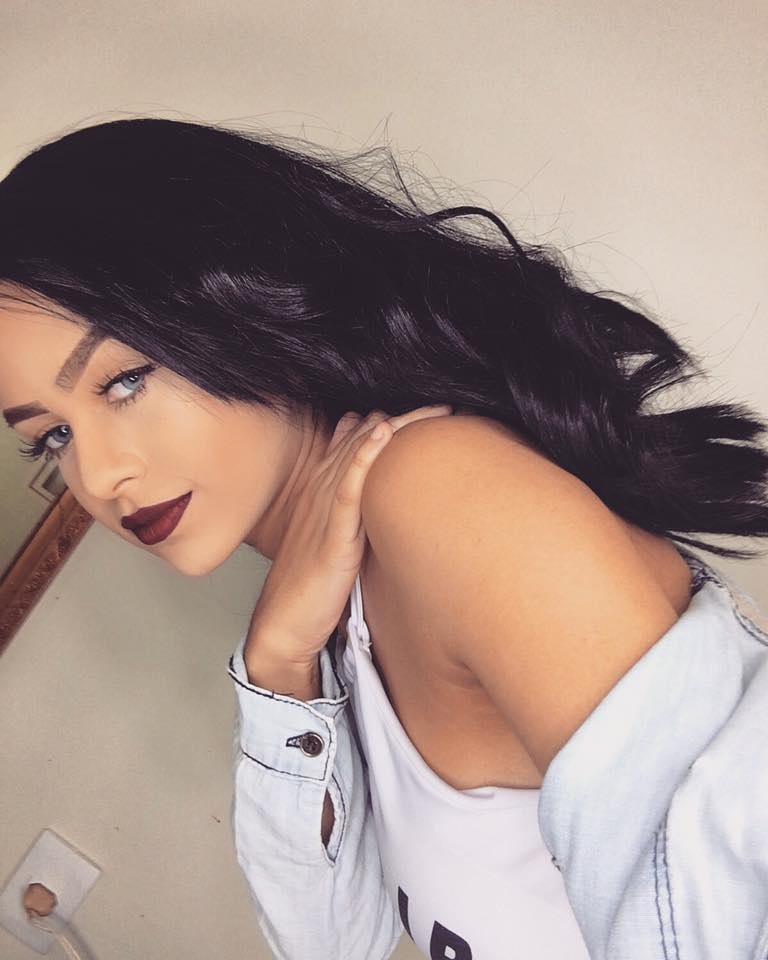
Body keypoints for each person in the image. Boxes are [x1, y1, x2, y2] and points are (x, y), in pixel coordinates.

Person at [1, 118, 767, 960]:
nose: (99, 477)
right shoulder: (328, 605)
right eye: (53, 437)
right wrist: (275, 664)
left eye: (123, 381)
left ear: (237, 297)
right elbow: (335, 944)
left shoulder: (440, 492)